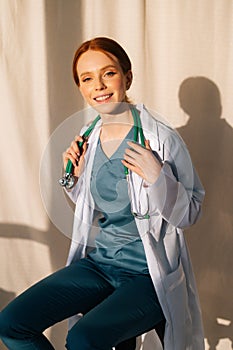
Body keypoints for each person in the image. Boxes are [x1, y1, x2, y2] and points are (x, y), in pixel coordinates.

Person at [0, 37, 205, 350]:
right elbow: (94, 207)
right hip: (99, 265)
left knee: (83, 339)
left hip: (148, 275)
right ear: (81, 88)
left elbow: (190, 213)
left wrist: (158, 176)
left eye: (108, 73)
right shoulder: (87, 135)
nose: (99, 85)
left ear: (127, 76)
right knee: (12, 324)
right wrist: (72, 177)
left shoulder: (161, 138)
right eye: (87, 78)